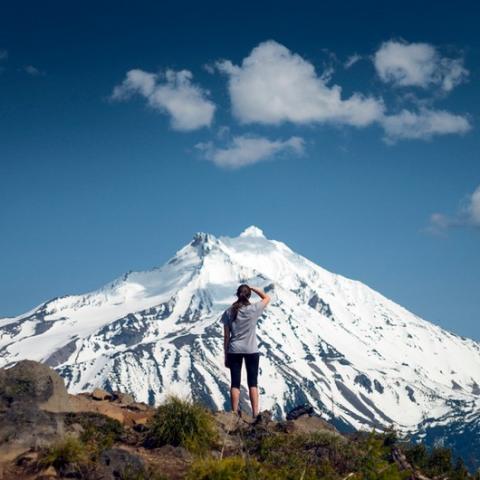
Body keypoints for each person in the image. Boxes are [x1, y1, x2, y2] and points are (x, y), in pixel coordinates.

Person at [221, 283, 271, 420]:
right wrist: (253, 288)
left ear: (237, 295)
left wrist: (226, 355)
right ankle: (255, 415)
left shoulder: (228, 312)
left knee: (235, 383)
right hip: (251, 350)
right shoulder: (254, 309)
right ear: (249, 295)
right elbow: (267, 298)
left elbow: (226, 336)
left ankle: (233, 413)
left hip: (234, 350)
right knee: (253, 383)